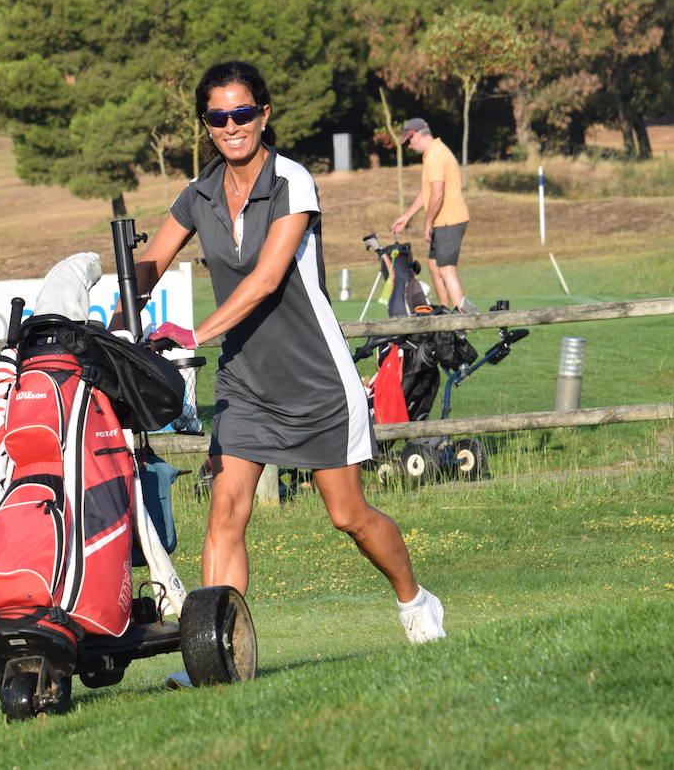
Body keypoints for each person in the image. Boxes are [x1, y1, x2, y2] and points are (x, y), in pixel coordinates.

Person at [125, 61, 446, 671]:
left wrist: (193, 333)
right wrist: (118, 295)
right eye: (218, 117)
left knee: (347, 515)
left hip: (314, 378)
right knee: (225, 511)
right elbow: (153, 263)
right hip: (245, 381)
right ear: (206, 125)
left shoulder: (293, 182)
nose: (231, 125)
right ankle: (217, 657)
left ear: (263, 115)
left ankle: (416, 601)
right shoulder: (198, 194)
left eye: (242, 113)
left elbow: (269, 279)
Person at [390, 118, 478, 314]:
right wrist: (407, 216)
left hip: (449, 219)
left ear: (416, 134)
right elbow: (427, 192)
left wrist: (427, 223)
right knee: (433, 265)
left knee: (446, 269)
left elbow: (437, 194)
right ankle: (446, 312)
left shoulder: (436, 156)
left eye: (409, 140)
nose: (409, 145)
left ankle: (463, 320)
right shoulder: (434, 153)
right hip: (445, 219)